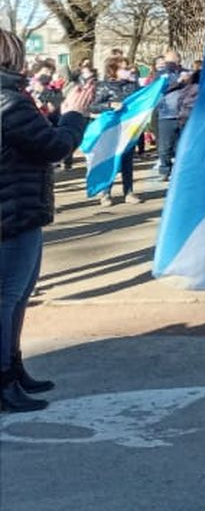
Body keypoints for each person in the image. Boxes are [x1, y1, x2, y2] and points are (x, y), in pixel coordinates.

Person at [1, 30, 89, 412]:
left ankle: (13, 369)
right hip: (14, 212)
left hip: (18, 208)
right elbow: (54, 146)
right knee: (8, 298)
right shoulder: (8, 102)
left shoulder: (12, 100)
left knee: (17, 297)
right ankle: (4, 381)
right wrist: (73, 115)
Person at [90, 56, 147, 206]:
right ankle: (106, 193)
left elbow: (145, 97)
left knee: (127, 161)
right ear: (114, 70)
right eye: (124, 68)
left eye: (127, 68)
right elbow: (93, 106)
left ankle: (128, 192)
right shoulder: (103, 86)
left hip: (128, 128)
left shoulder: (133, 85)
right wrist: (110, 105)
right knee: (109, 159)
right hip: (110, 129)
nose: (127, 71)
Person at [150, 49, 189, 180]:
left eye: (173, 61)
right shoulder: (160, 75)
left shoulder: (187, 73)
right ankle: (165, 170)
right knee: (164, 147)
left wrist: (187, 80)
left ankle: (180, 172)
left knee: (182, 145)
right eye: (168, 61)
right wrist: (178, 82)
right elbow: (160, 89)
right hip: (166, 114)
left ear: (179, 60)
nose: (170, 64)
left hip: (184, 114)